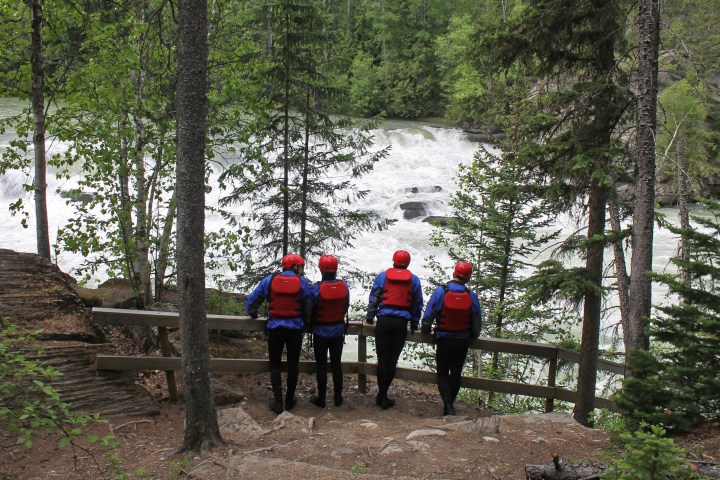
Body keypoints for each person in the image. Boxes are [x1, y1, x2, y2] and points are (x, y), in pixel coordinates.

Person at [245, 254, 312, 414]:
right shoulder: (302, 282)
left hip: (275, 327)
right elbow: (309, 301)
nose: (302, 270)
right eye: (300, 267)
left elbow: (254, 299)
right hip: (295, 329)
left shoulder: (270, 280)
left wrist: (253, 313)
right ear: (295, 267)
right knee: (293, 365)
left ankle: (278, 402)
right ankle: (289, 401)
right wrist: (307, 322)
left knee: (274, 365)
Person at [421, 261, 481, 416]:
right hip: (462, 340)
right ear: (468, 278)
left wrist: (425, 329)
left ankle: (448, 405)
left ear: (454, 273)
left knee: (442, 373)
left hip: (444, 338)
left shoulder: (441, 291)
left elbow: (429, 314)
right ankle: (449, 406)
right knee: (456, 373)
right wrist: (474, 335)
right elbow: (476, 320)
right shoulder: (471, 296)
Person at [365, 250, 423, 409]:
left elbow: (374, 298)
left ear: (393, 261)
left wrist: (369, 317)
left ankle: (382, 395)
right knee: (392, 361)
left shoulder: (383, 277)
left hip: (383, 321)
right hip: (400, 324)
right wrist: (415, 322)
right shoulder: (414, 280)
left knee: (382, 360)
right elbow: (417, 303)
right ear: (408, 263)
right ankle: (383, 395)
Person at [309, 254, 350, 408]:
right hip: (338, 331)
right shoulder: (344, 286)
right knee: (336, 364)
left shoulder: (316, 288)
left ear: (321, 269)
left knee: (321, 366)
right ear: (336, 269)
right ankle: (338, 398)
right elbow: (345, 306)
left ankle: (321, 399)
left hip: (320, 331)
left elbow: (311, 306)